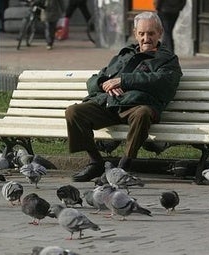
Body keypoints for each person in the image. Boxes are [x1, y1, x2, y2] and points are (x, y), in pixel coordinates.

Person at [65, 11, 183, 182]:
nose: (146, 38)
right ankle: (96, 163)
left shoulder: (167, 59)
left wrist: (124, 81)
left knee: (143, 113)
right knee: (74, 112)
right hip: (110, 104)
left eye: (151, 33)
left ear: (160, 33)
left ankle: (123, 166)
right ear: (135, 33)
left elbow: (163, 83)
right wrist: (103, 83)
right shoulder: (124, 54)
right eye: (141, 34)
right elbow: (95, 79)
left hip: (137, 107)